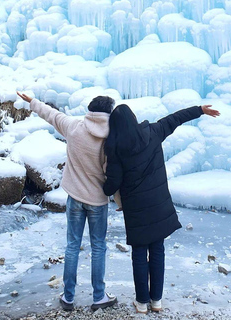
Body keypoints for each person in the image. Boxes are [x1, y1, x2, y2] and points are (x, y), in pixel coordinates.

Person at [102, 103, 220, 314]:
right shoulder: (153, 132)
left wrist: (100, 183)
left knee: (139, 253)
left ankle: (141, 302)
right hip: (158, 204)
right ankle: (156, 301)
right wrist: (200, 109)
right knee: (157, 250)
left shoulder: (115, 149)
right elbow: (175, 119)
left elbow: (112, 184)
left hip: (136, 209)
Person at [17, 92, 118, 311]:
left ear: (90, 111)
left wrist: (32, 102)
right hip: (98, 201)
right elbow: (112, 173)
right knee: (98, 246)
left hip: (74, 197)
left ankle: (68, 297)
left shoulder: (74, 127)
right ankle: (99, 296)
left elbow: (51, 115)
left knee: (73, 245)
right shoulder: (111, 138)